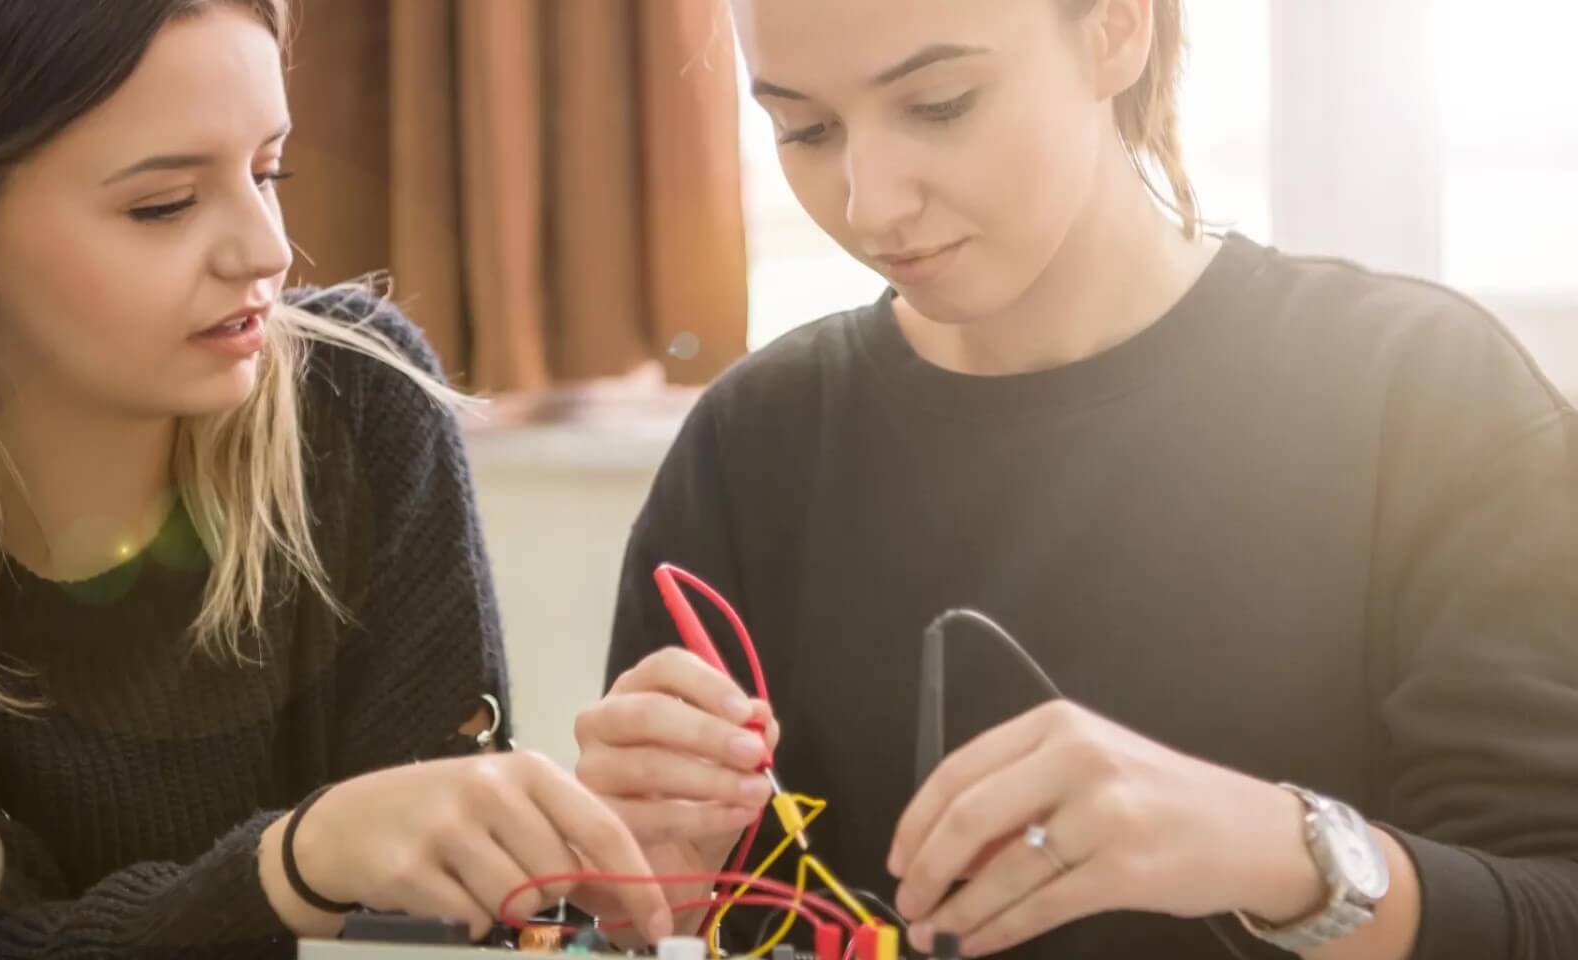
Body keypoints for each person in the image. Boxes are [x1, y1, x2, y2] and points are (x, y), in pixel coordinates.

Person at [0, 1, 675, 956]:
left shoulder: (362, 407)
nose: (266, 252)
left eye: (267, 171)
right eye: (165, 204)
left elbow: (456, 924)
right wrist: (295, 863)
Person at [575, 0, 1578, 958]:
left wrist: (1284, 853)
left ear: (1117, 28)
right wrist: (660, 902)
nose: (869, 202)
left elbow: (1552, 907)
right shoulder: (753, 446)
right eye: (805, 128)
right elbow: (688, 921)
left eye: (941, 105)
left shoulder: (1424, 398)